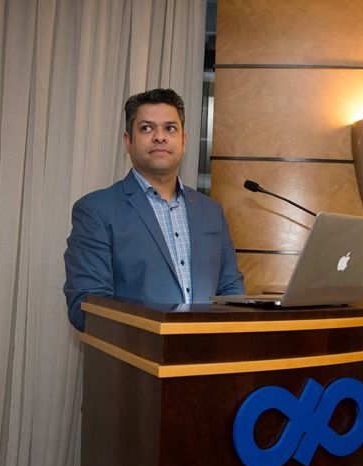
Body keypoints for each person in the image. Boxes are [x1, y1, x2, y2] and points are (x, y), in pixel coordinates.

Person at [63, 88, 245, 331]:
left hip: (207, 351)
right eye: (146, 128)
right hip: (137, 352)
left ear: (183, 141)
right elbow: (87, 308)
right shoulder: (96, 211)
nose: (160, 137)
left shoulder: (212, 212)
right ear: (128, 141)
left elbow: (231, 291)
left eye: (170, 128)